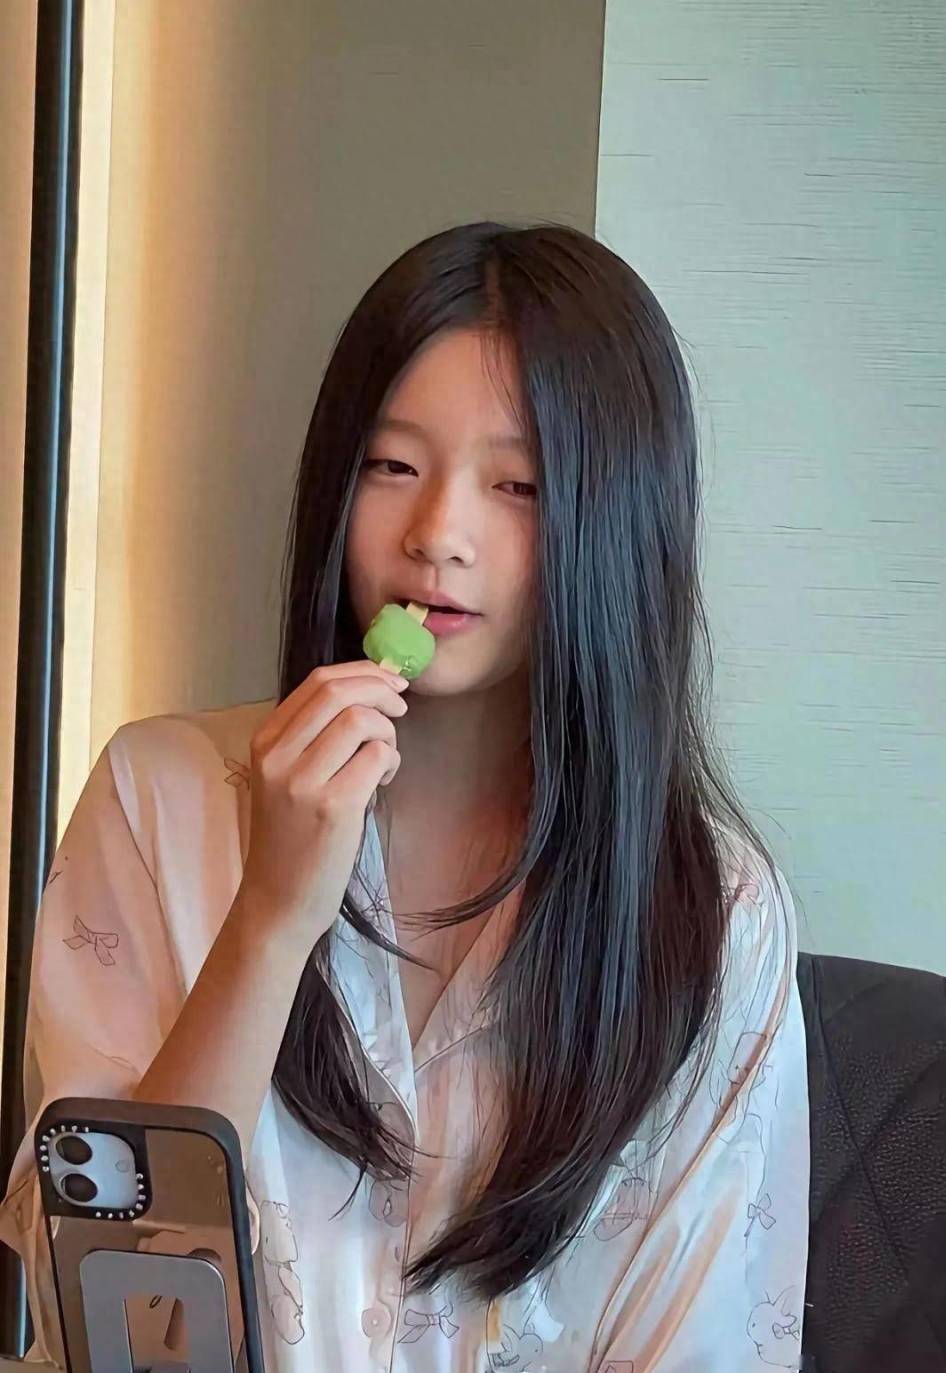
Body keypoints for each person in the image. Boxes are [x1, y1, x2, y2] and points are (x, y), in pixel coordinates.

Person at [0, 221, 809, 1372]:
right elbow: (114, 1331)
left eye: (519, 483)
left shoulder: (717, 910)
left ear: (617, 518)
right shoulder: (158, 796)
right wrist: (271, 920)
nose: (438, 536)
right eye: (392, 466)